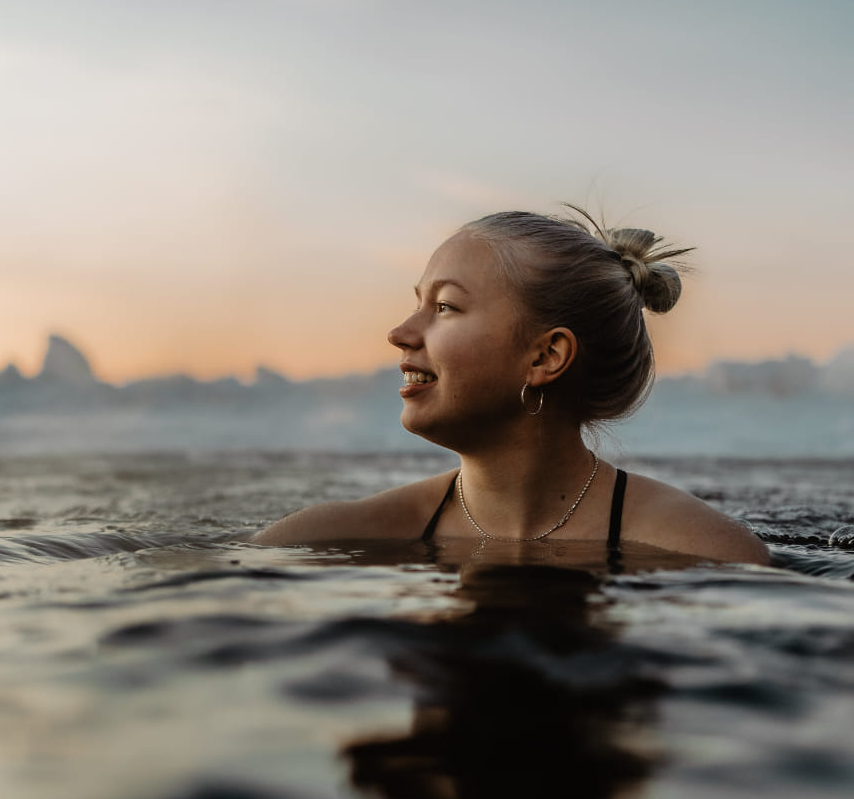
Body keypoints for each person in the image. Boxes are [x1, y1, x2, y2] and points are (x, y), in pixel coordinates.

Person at [254, 207, 769, 565]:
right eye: (418, 305)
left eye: (445, 307)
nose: (400, 334)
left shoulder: (707, 553)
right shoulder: (323, 540)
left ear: (545, 356)